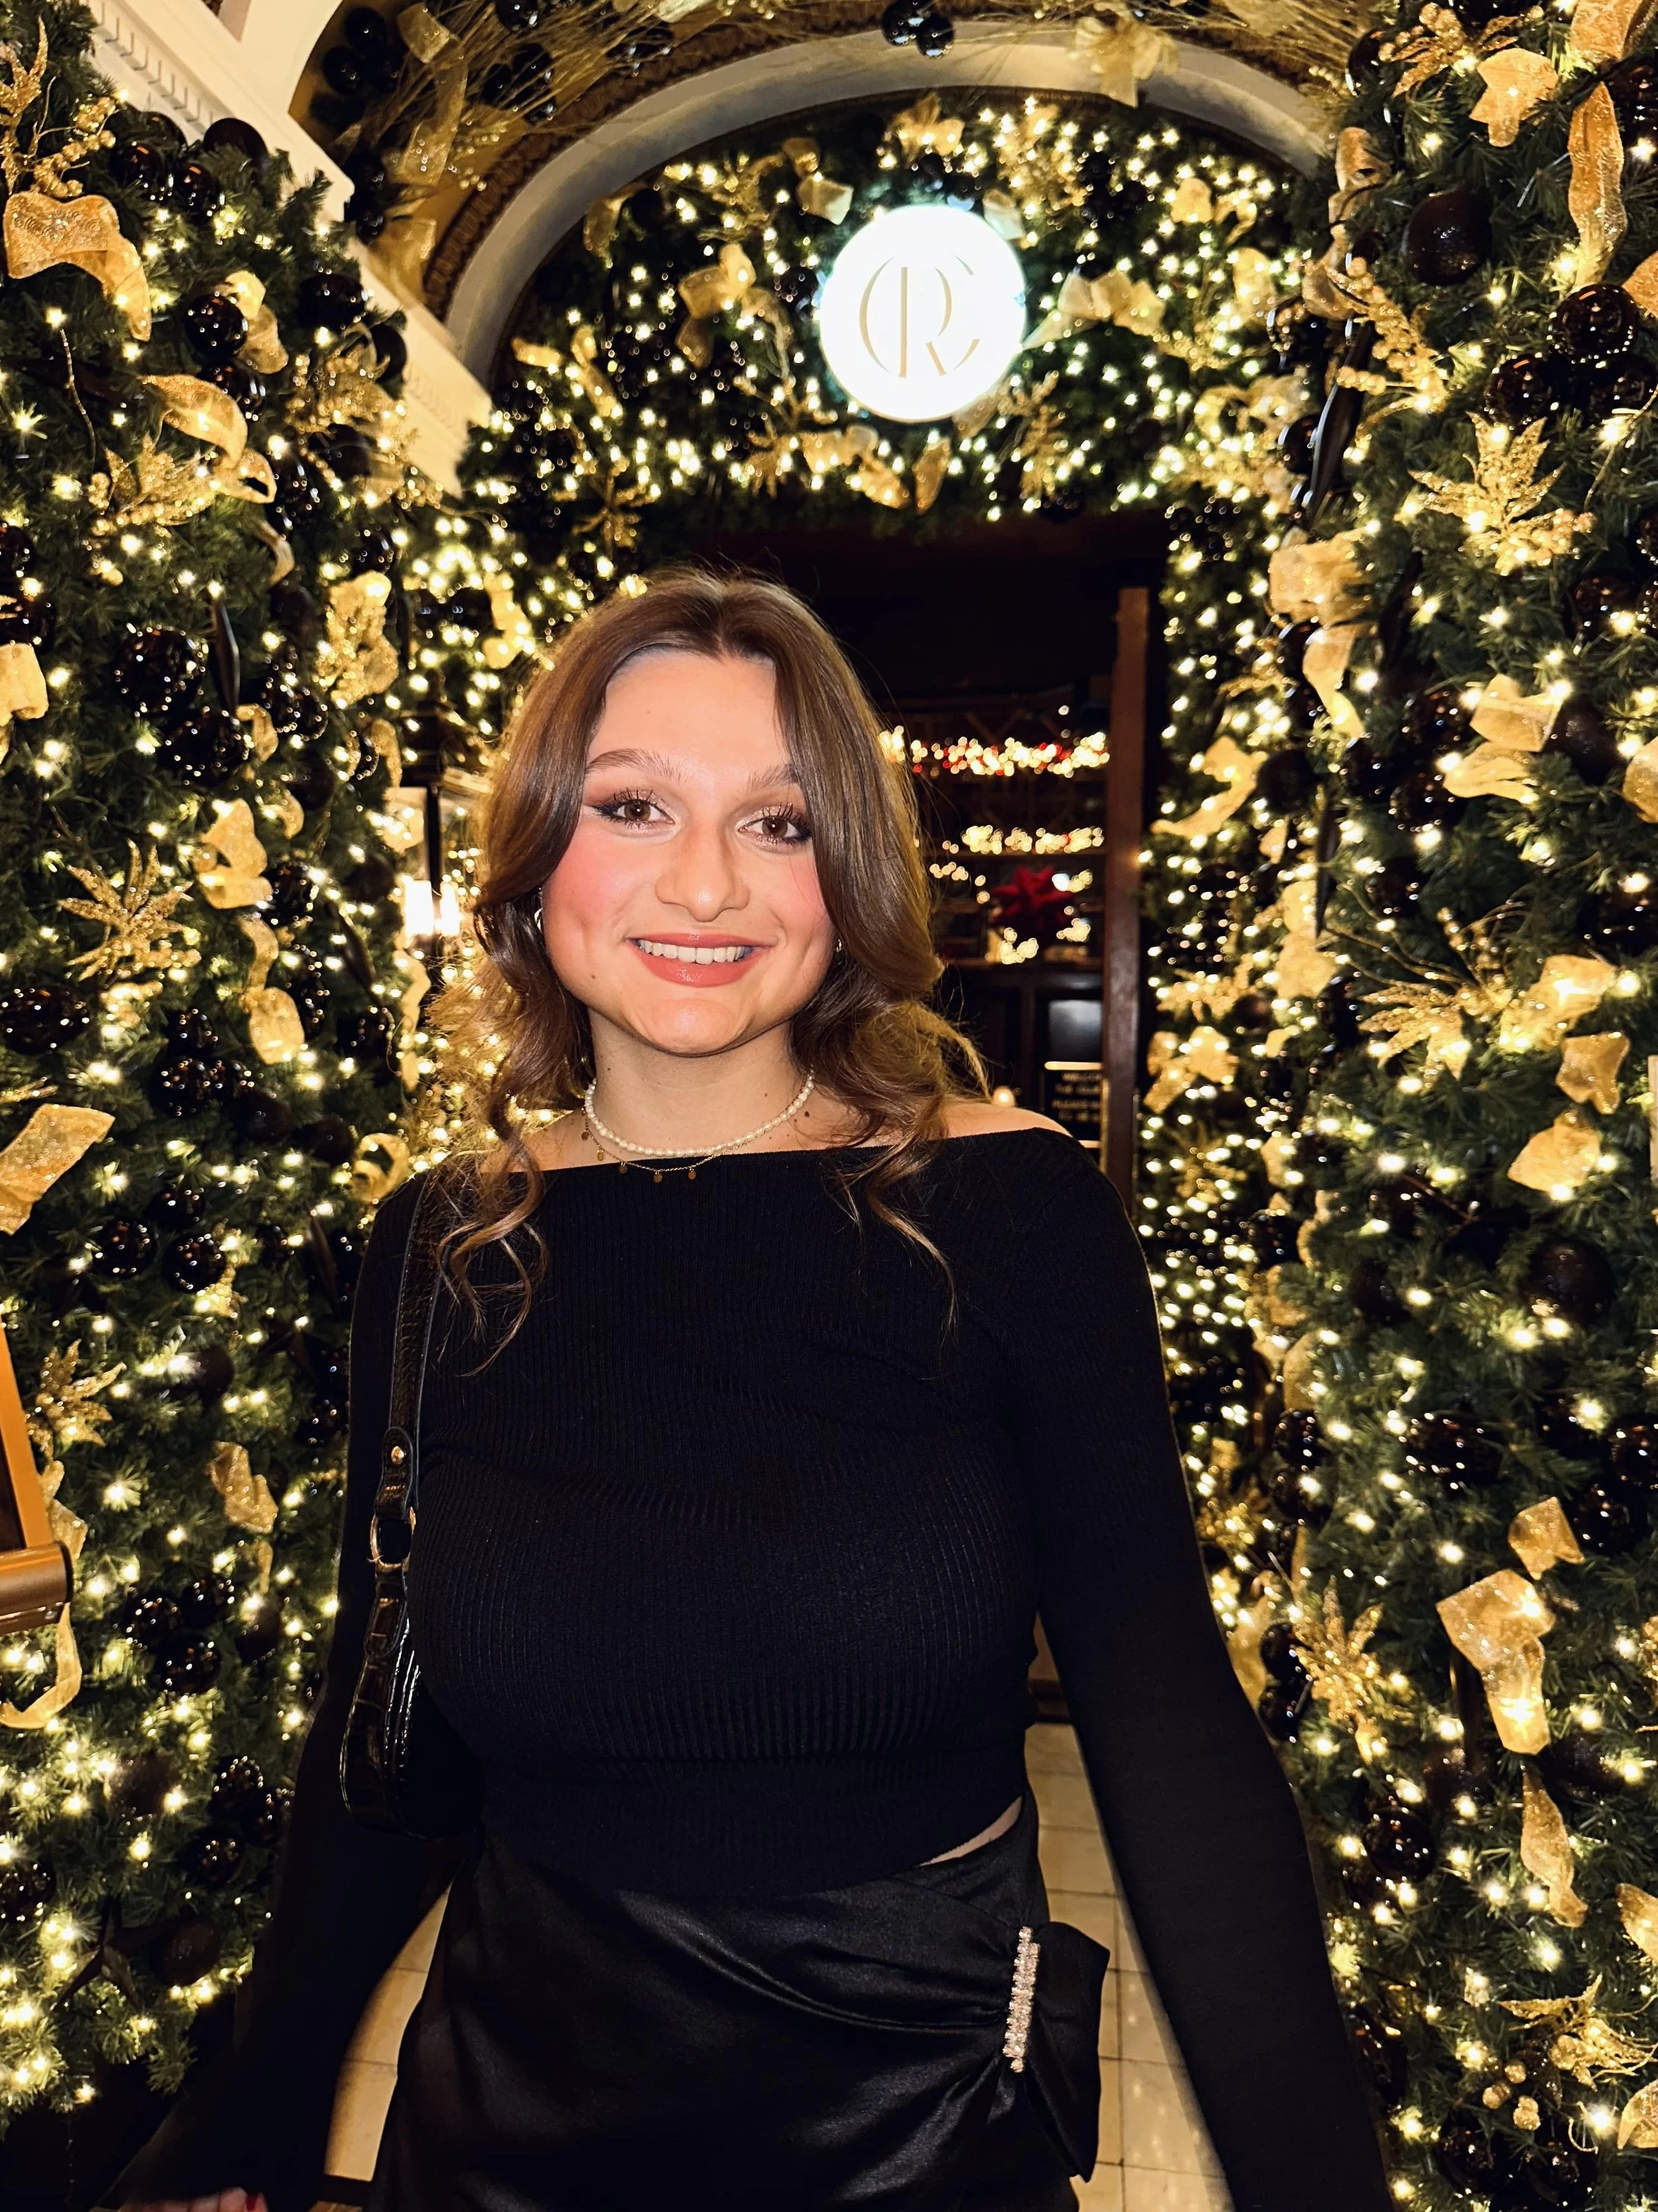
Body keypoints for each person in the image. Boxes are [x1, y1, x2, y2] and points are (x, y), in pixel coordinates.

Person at [109, 570, 1392, 2212]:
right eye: (632, 805)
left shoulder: (1003, 1210)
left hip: (911, 2127)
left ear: (844, 876)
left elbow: (1170, 1736)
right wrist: (258, 2107)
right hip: (505, 2128)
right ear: (536, 856)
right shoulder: (439, 1243)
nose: (706, 880)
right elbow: (382, 1728)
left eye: (777, 823)